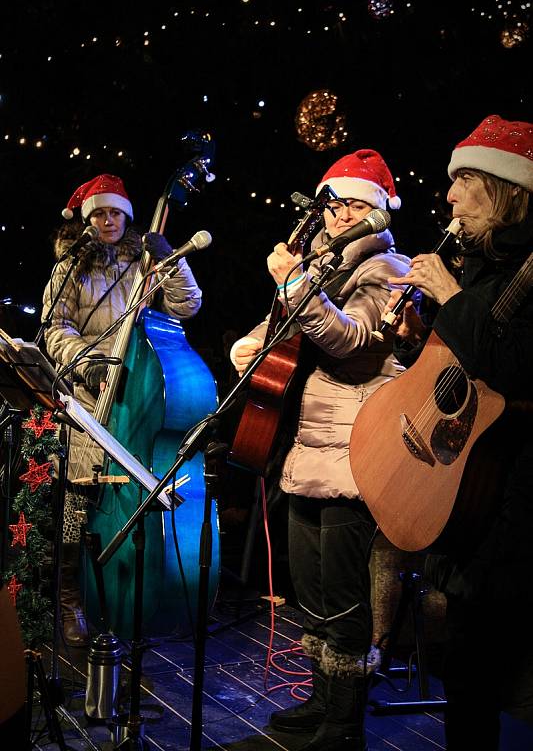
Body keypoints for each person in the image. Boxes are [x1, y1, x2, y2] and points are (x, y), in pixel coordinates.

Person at [230, 149, 411, 750]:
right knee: (310, 590)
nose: (338, 217)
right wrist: (248, 350)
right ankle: (319, 699)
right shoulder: (321, 268)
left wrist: (293, 281)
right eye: (333, 205)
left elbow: (349, 340)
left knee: (342, 595)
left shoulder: (388, 266)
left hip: (356, 450)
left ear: (379, 211)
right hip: (307, 448)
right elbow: (278, 333)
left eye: (354, 205)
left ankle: (345, 724)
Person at [384, 114, 533, 750]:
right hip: (473, 502)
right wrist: (425, 337)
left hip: (518, 512)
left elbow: (520, 366)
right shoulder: (480, 261)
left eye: (463, 180)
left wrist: (451, 298)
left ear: (504, 190)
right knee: (468, 687)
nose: (447, 196)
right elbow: (471, 365)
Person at [42, 173, 202, 646]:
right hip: (87, 395)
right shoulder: (71, 267)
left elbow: (187, 306)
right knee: (77, 501)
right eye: (99, 214)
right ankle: (73, 599)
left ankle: (134, 595)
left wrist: (173, 260)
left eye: (114, 213)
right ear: (87, 220)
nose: (107, 220)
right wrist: (87, 362)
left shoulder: (147, 260)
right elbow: (55, 328)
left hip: (137, 392)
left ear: (127, 217)